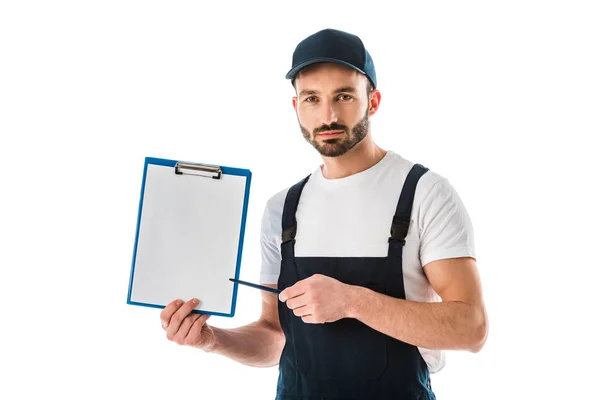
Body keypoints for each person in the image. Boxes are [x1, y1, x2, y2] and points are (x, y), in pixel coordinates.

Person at [159, 28, 488, 399]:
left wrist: (352, 301)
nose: (327, 115)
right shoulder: (282, 210)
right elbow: (274, 335)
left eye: (343, 96)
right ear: (296, 106)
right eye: (312, 99)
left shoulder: (425, 193)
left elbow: (471, 328)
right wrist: (212, 340)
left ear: (373, 101)